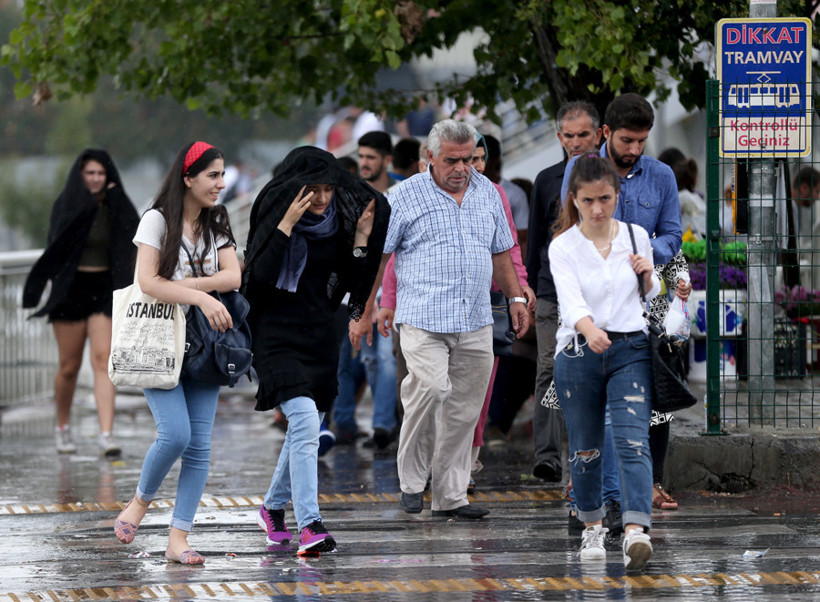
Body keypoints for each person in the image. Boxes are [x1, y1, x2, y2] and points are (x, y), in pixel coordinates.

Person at [359, 119, 529, 519]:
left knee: (465, 409)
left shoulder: (488, 194)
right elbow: (380, 257)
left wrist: (516, 297)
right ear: (429, 158)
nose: (462, 168)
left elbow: (502, 252)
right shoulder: (403, 197)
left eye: (468, 159)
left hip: (476, 318)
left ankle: (452, 495)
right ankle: (412, 483)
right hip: (422, 319)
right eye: (452, 160)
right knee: (431, 390)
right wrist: (364, 311)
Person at [243, 146, 389, 555]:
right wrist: (286, 225)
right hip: (274, 335)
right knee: (306, 420)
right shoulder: (276, 218)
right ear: (295, 189)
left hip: (320, 335)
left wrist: (361, 238)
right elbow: (261, 277)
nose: (321, 199)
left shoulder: (336, 222)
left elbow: (352, 279)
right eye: (313, 190)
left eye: (328, 189)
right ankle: (309, 524)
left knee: (304, 428)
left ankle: (272, 508)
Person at [112, 141, 241, 565]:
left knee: (200, 447)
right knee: (176, 434)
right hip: (156, 338)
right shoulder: (156, 220)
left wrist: (190, 290)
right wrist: (204, 294)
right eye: (212, 175)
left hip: (203, 344)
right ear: (188, 178)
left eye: (222, 175)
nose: (220, 184)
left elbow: (234, 276)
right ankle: (140, 501)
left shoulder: (216, 221)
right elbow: (147, 281)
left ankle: (178, 539)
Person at [551, 154, 659, 570]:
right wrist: (589, 328)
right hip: (579, 350)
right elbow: (569, 297)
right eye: (589, 200)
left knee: (633, 439)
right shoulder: (563, 246)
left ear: (618, 195)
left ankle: (635, 530)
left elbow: (651, 297)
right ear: (574, 199)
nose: (598, 209)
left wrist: (650, 275)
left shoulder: (635, 236)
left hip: (629, 348)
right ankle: (592, 526)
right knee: (586, 448)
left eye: (606, 199)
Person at [22, 149, 139, 457]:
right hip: (71, 290)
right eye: (90, 173)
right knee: (69, 366)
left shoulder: (116, 203)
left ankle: (106, 433)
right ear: (80, 174)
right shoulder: (67, 203)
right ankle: (62, 427)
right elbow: (56, 244)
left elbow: (134, 233)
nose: (96, 179)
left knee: (103, 361)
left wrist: (114, 200)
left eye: (101, 173)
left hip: (104, 288)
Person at [527, 101, 602, 483]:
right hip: (552, 290)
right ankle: (547, 455)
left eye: (582, 135)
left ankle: (589, 453)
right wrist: (533, 290)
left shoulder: (609, 181)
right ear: (559, 137)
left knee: (592, 370)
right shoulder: (546, 180)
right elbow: (538, 239)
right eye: (569, 136)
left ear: (598, 134)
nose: (575, 142)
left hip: (597, 293)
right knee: (549, 368)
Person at [483, 134, 529, 250]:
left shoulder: (514, 194)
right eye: (473, 158)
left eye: (483, 158)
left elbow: (524, 239)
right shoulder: (462, 193)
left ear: (495, 160)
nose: (478, 164)